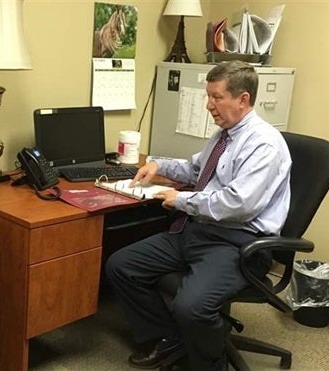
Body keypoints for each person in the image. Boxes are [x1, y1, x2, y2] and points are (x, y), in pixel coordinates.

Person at [105, 60, 292, 371]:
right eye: (208, 96)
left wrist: (182, 200)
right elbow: (196, 169)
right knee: (122, 266)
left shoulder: (265, 144)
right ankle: (169, 339)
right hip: (199, 231)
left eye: (216, 97)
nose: (208, 105)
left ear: (243, 99)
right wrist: (157, 165)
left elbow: (238, 203)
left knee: (192, 306)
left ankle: (208, 362)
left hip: (239, 244)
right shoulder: (224, 135)